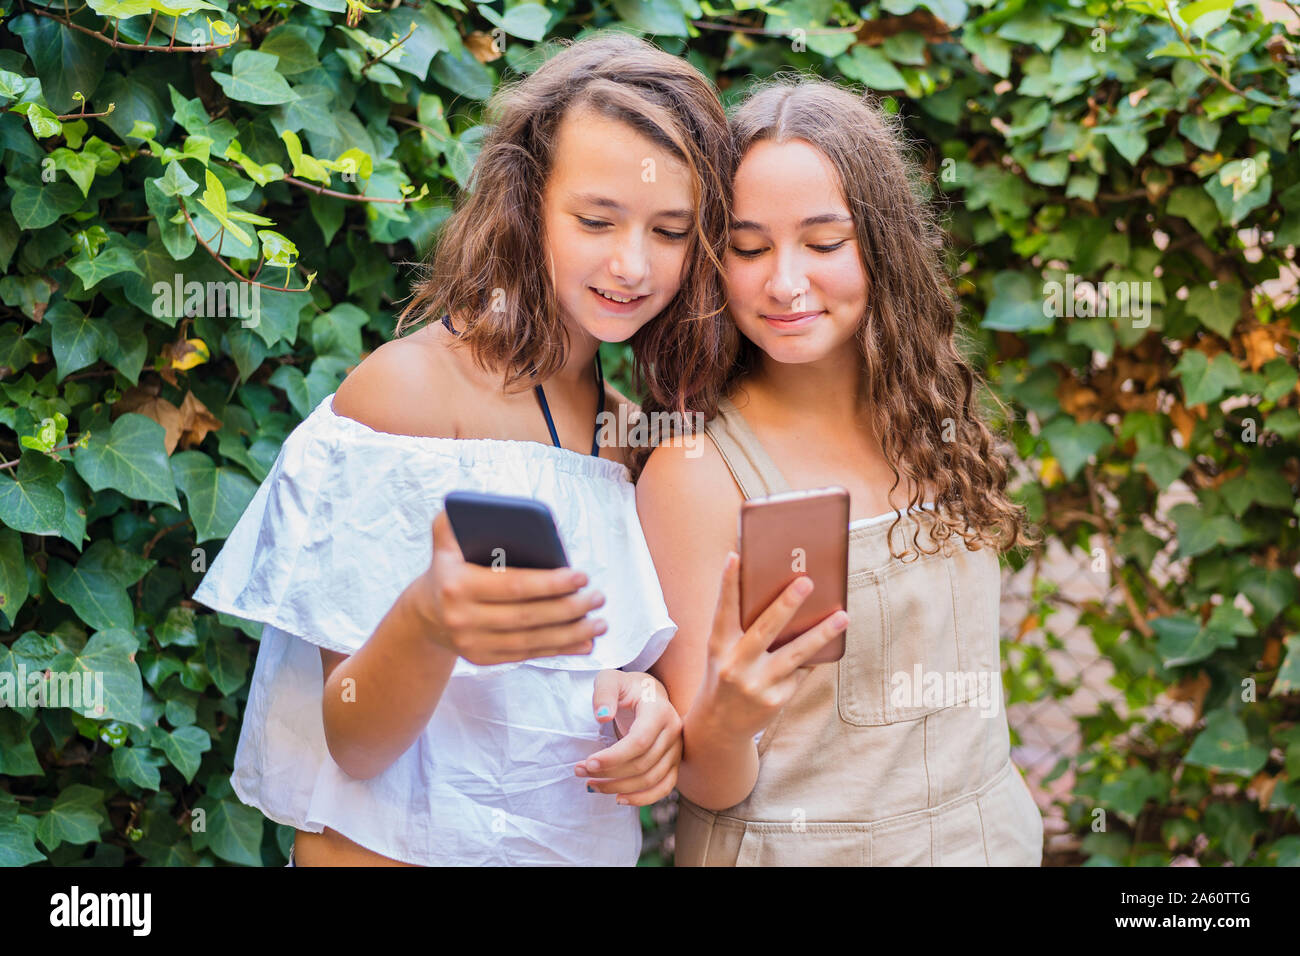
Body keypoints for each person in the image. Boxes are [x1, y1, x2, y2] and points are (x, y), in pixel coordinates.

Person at [193, 32, 733, 866]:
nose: (631, 264)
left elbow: (562, 701)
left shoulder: (632, 436)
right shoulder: (407, 397)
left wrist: (646, 704)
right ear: (524, 202)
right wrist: (429, 620)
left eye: (669, 230)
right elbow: (355, 739)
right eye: (596, 219)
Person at [635, 76, 1045, 865]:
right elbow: (704, 782)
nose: (785, 283)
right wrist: (726, 716)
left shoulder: (934, 420)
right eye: (748, 248)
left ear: (883, 244)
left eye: (825, 243)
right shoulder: (699, 472)